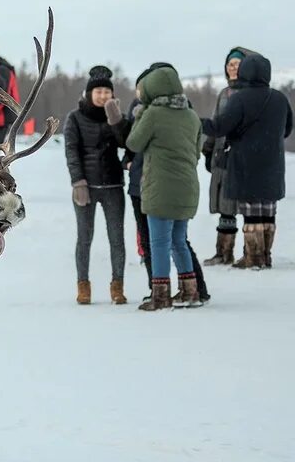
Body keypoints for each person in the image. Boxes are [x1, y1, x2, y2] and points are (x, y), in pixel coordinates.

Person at [202, 49, 293, 269]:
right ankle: (266, 256)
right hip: (273, 165)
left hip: (246, 164)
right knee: (267, 212)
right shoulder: (279, 98)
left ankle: (253, 259)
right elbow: (288, 129)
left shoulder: (239, 98)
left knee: (252, 213)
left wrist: (197, 121)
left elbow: (221, 126)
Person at [124, 63, 202, 311]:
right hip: (188, 187)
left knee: (159, 242)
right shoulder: (191, 115)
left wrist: (139, 116)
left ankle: (160, 296)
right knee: (179, 240)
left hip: (160, 188)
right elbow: (197, 151)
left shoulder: (153, 114)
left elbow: (134, 143)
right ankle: (191, 292)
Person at [64, 67, 129, 305]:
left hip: (113, 186)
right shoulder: (75, 117)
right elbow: (72, 151)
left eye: (107, 92)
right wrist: (77, 181)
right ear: (89, 93)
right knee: (84, 237)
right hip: (86, 187)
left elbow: (127, 143)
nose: (103, 96)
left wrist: (116, 119)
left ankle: (117, 286)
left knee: (117, 238)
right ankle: (83, 286)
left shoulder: (117, 115)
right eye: (99, 91)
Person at [201, 49, 244, 264]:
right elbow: (215, 122)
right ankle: (223, 252)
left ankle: (253, 254)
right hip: (221, 152)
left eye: (237, 63)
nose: (232, 67)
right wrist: (208, 149)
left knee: (238, 203)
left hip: (239, 154)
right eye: (229, 64)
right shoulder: (224, 93)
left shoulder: (249, 92)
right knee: (224, 203)